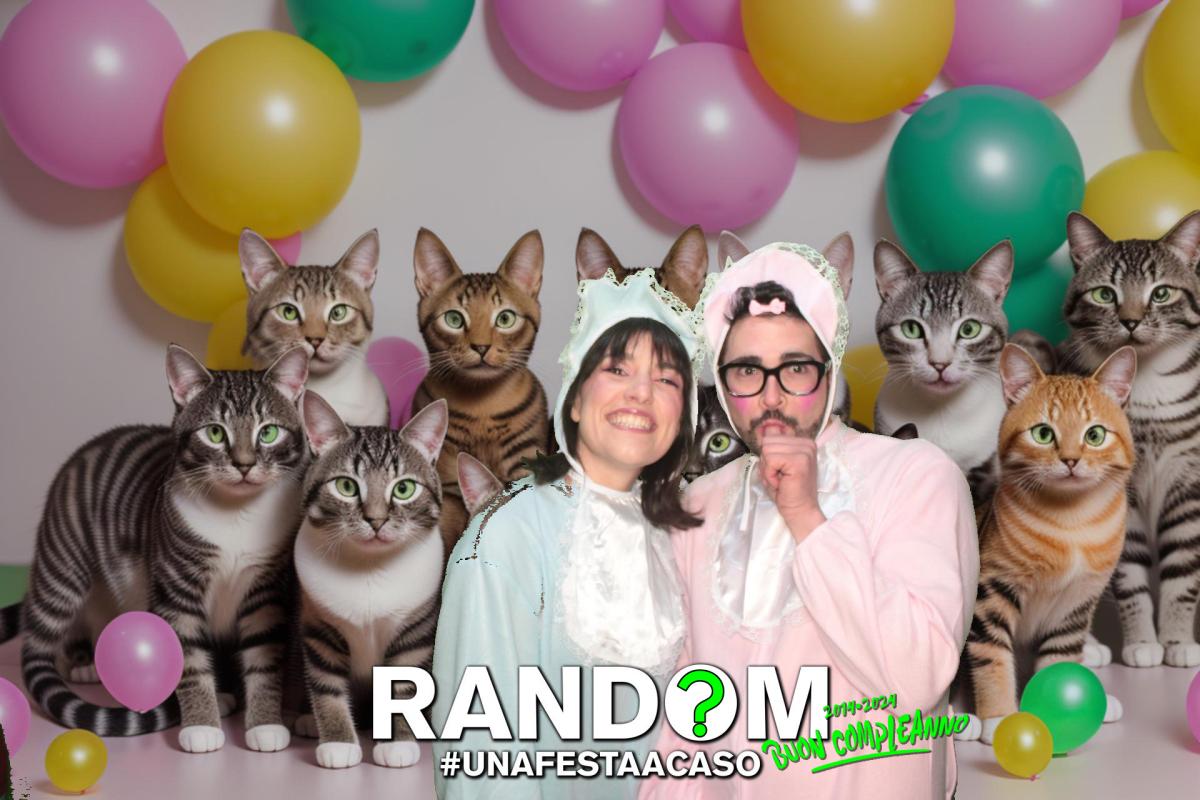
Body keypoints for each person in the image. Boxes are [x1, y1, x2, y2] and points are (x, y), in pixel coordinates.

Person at [641, 243, 979, 799]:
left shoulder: (916, 475)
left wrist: (807, 518)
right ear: (721, 383)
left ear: (829, 369)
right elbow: (683, 727)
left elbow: (917, 679)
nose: (771, 397)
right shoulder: (698, 506)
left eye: (796, 368)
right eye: (747, 371)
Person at [431, 268, 705, 799]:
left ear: (684, 415)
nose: (641, 394)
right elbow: (480, 757)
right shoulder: (506, 534)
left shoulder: (685, 530)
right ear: (574, 399)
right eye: (618, 369)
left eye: (667, 380)